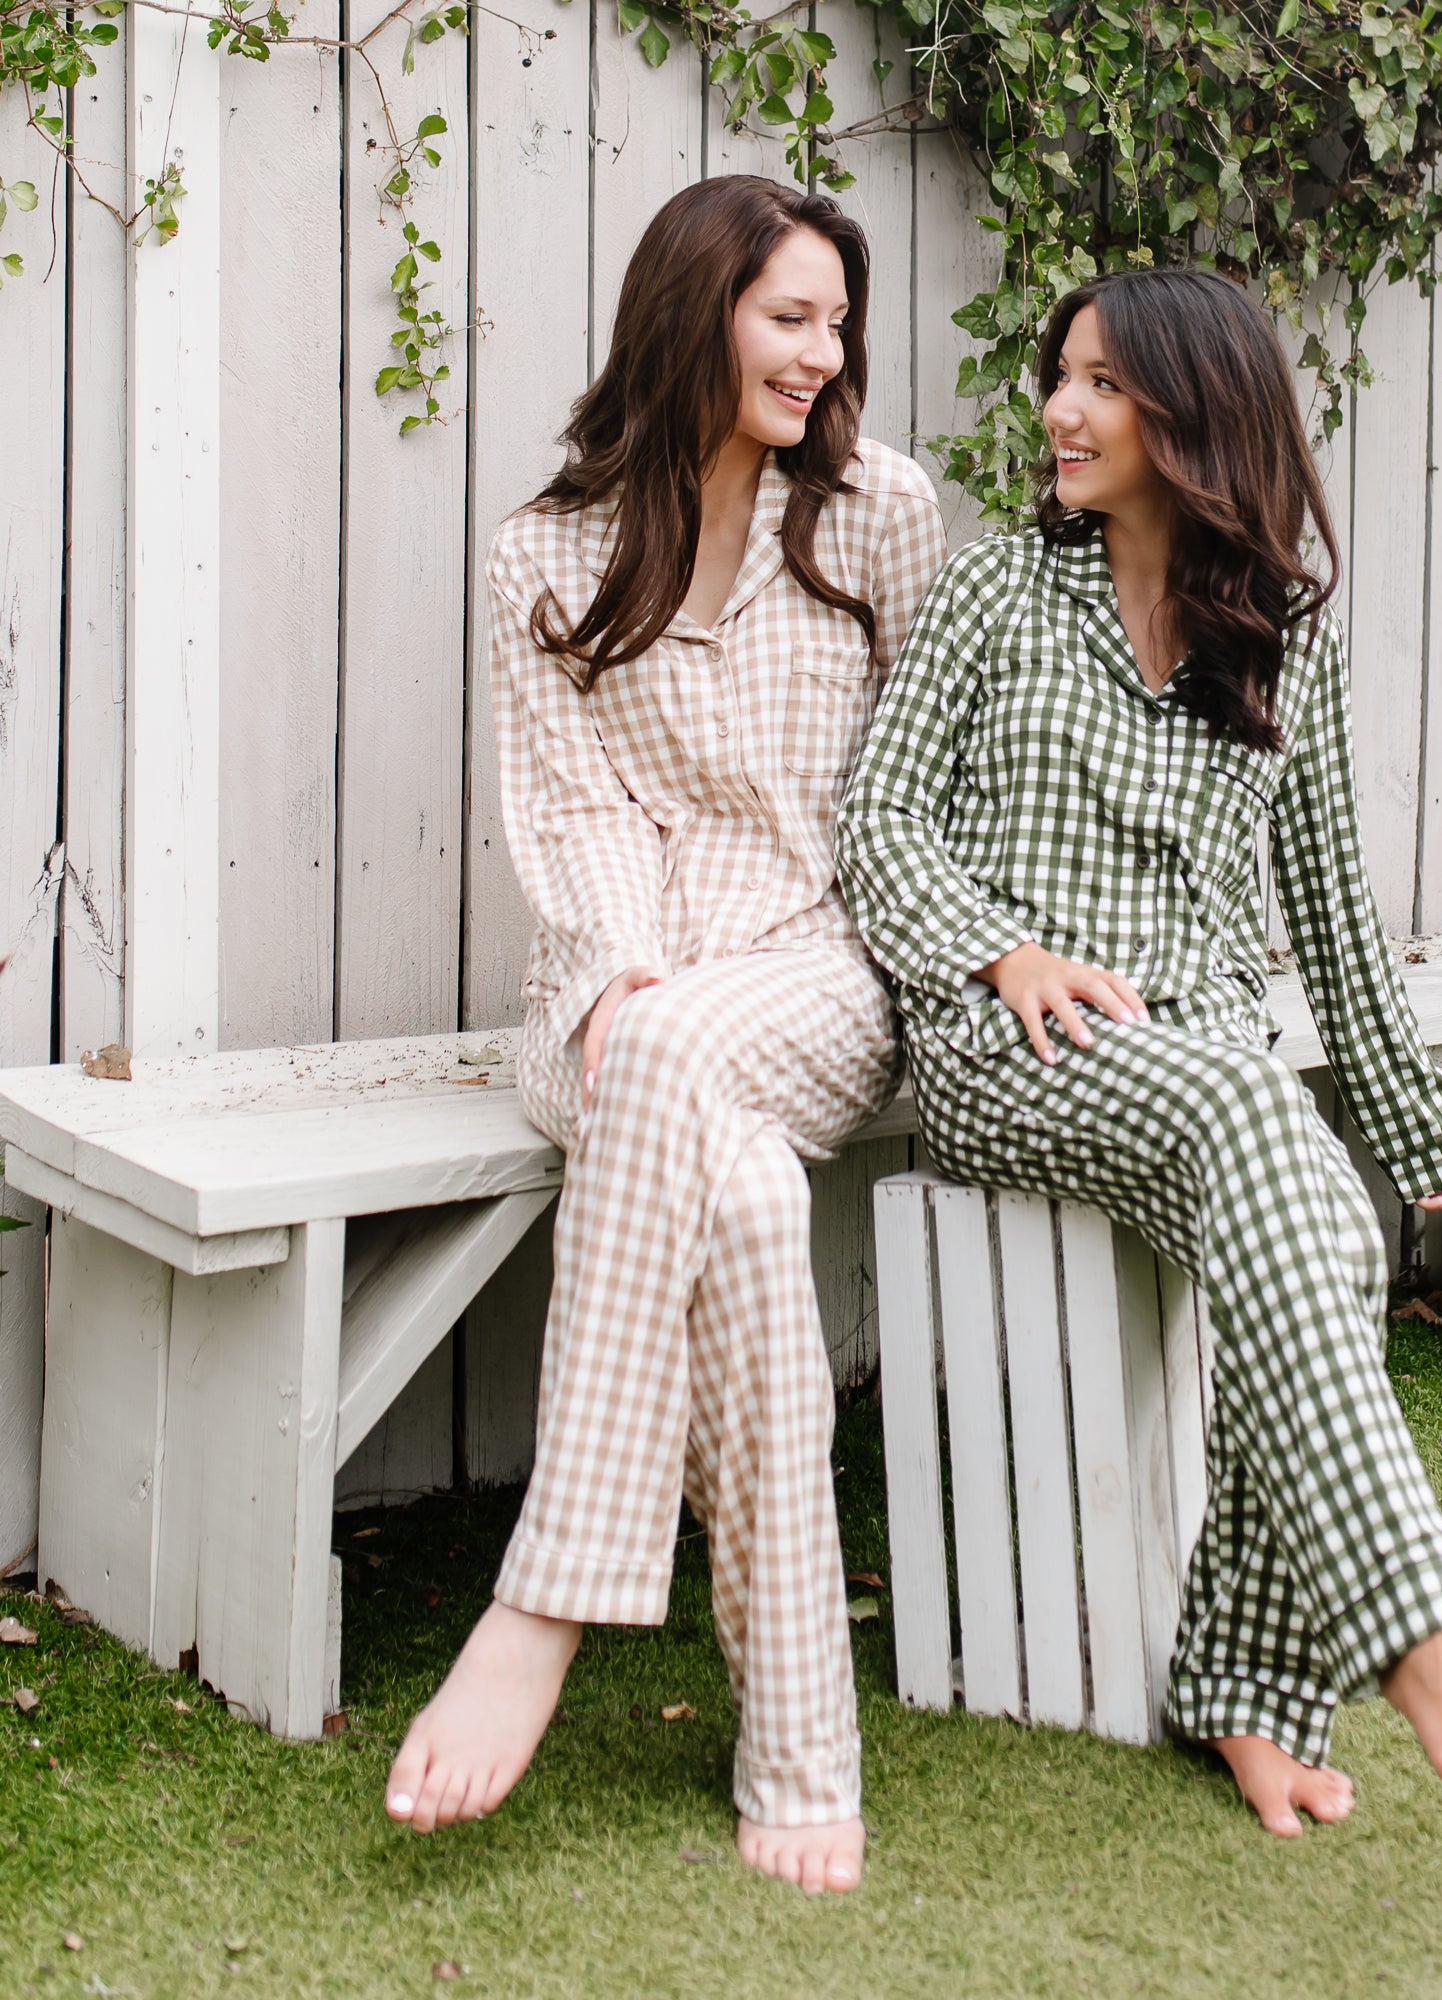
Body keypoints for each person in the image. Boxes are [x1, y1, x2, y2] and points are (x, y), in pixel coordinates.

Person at [836, 267, 1442, 1833]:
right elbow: (879, 819)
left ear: (1199, 415)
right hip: (1014, 1048)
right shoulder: (994, 594)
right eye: (1065, 374)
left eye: (1105, 383)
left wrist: (1407, 1116)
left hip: (1208, 1070)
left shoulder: (1277, 642)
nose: (1061, 406)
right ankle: (1422, 1634)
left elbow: (1328, 901)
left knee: (1317, 1217)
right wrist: (1002, 949)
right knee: (1276, 1154)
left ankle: (1242, 1696)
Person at [383, 174, 947, 1895]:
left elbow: (910, 790)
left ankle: (546, 1596)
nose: (824, 353)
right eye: (791, 316)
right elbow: (570, 812)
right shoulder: (544, 551)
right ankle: (795, 1734)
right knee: (754, 1204)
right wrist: (625, 976)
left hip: (821, 977)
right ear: (693, 313)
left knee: (699, 1062)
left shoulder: (881, 518)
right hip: (600, 1004)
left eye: (838, 322)